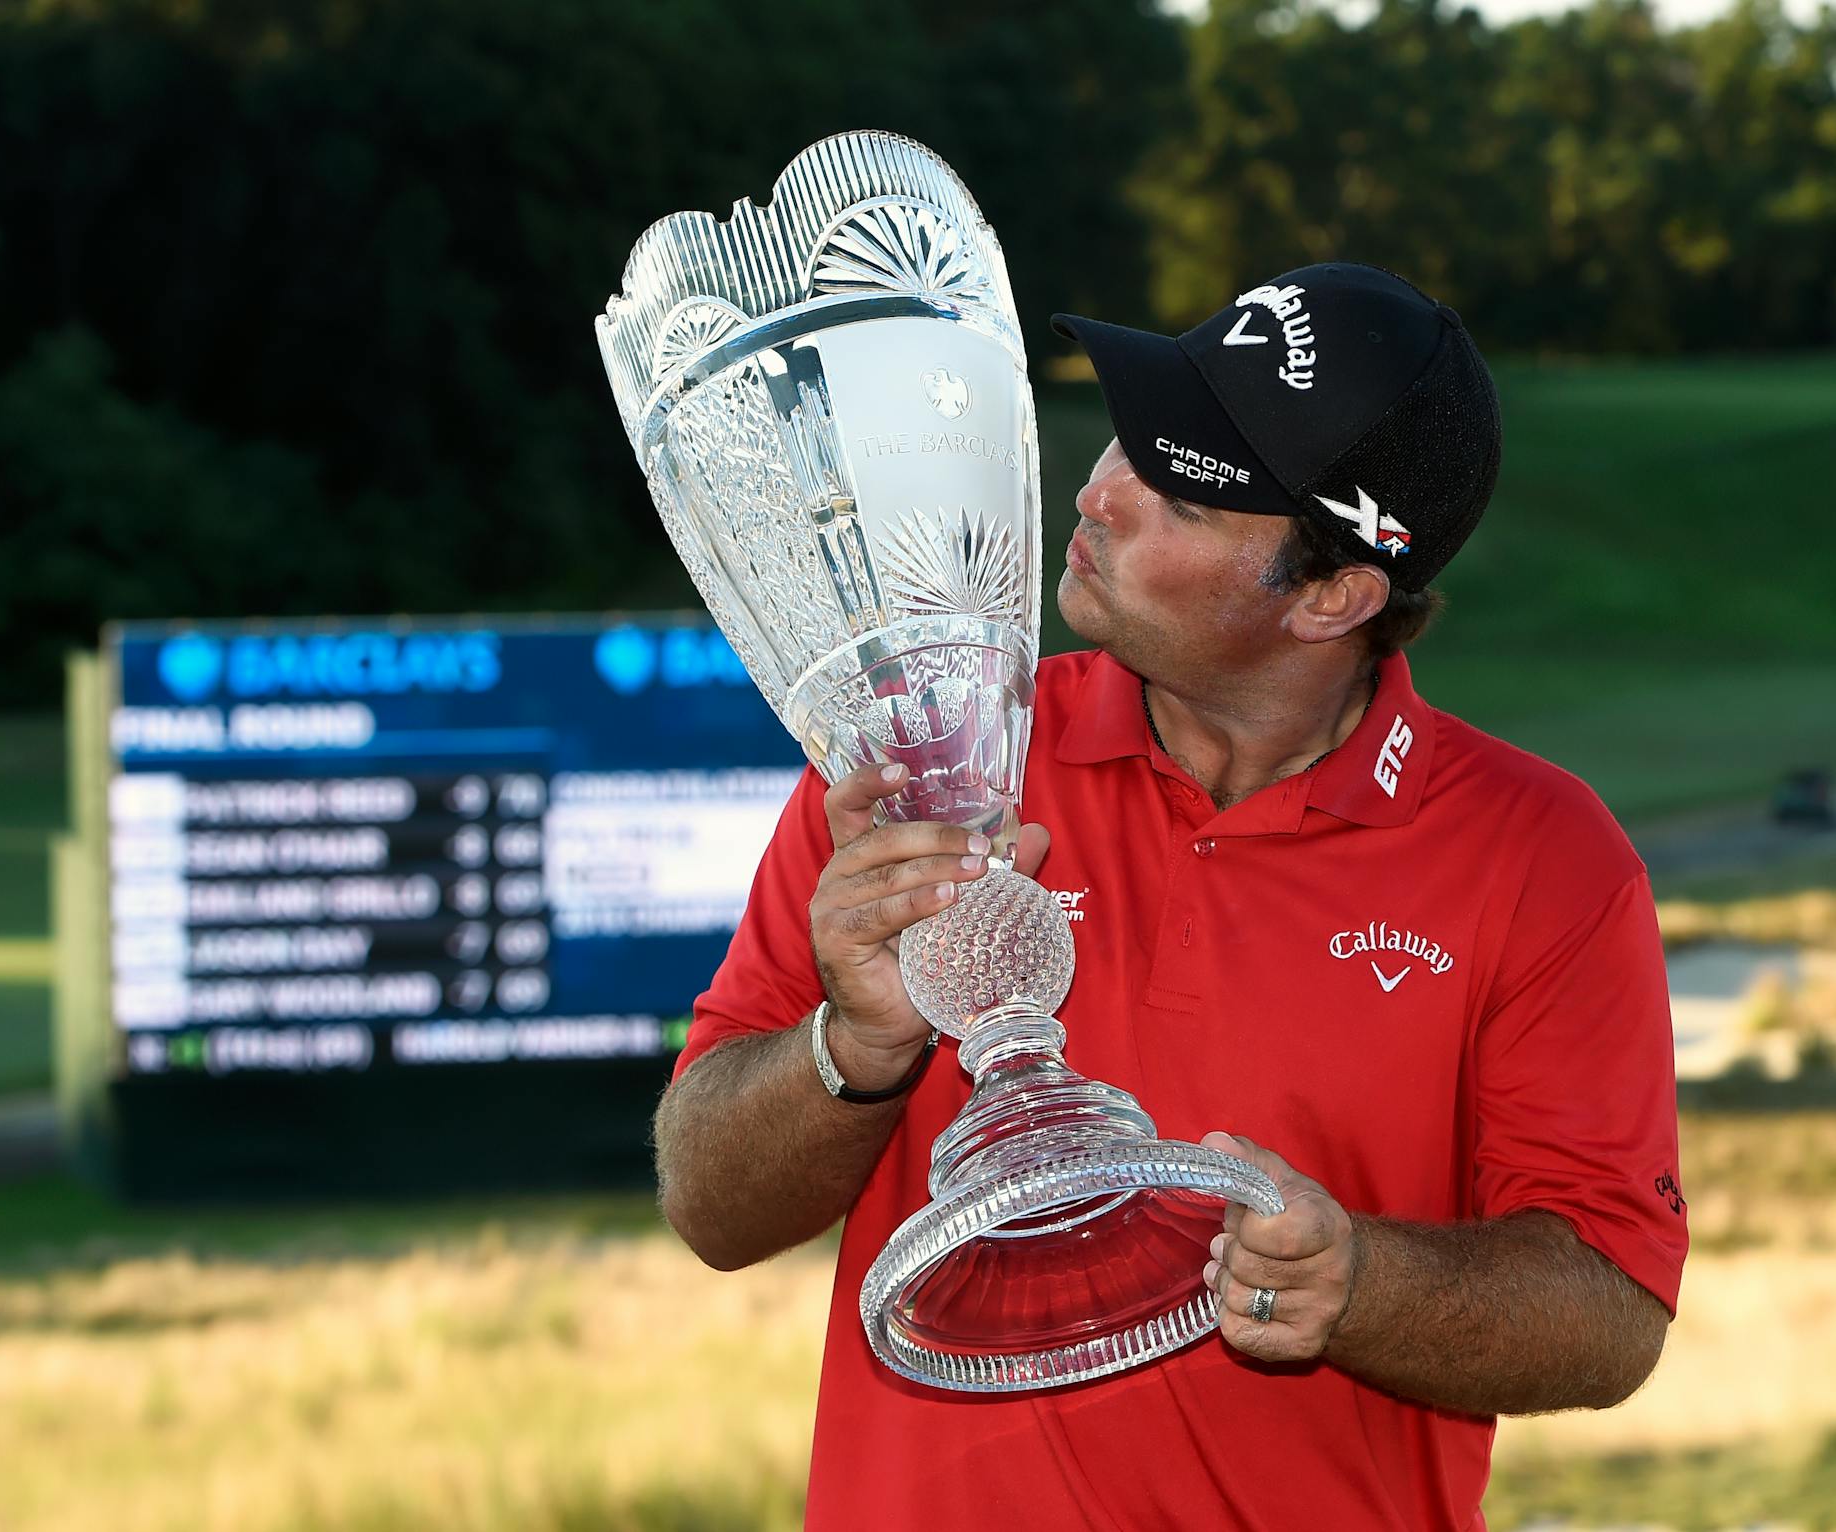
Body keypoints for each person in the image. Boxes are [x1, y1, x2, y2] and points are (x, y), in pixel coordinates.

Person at [654, 262, 1687, 1530]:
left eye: (1181, 489)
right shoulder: (929, 753)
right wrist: (854, 1046)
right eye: (1126, 434)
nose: (1095, 492)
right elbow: (708, 1201)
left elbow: (1608, 1306)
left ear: (1334, 595)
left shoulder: (1543, 858)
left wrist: (1355, 1281)